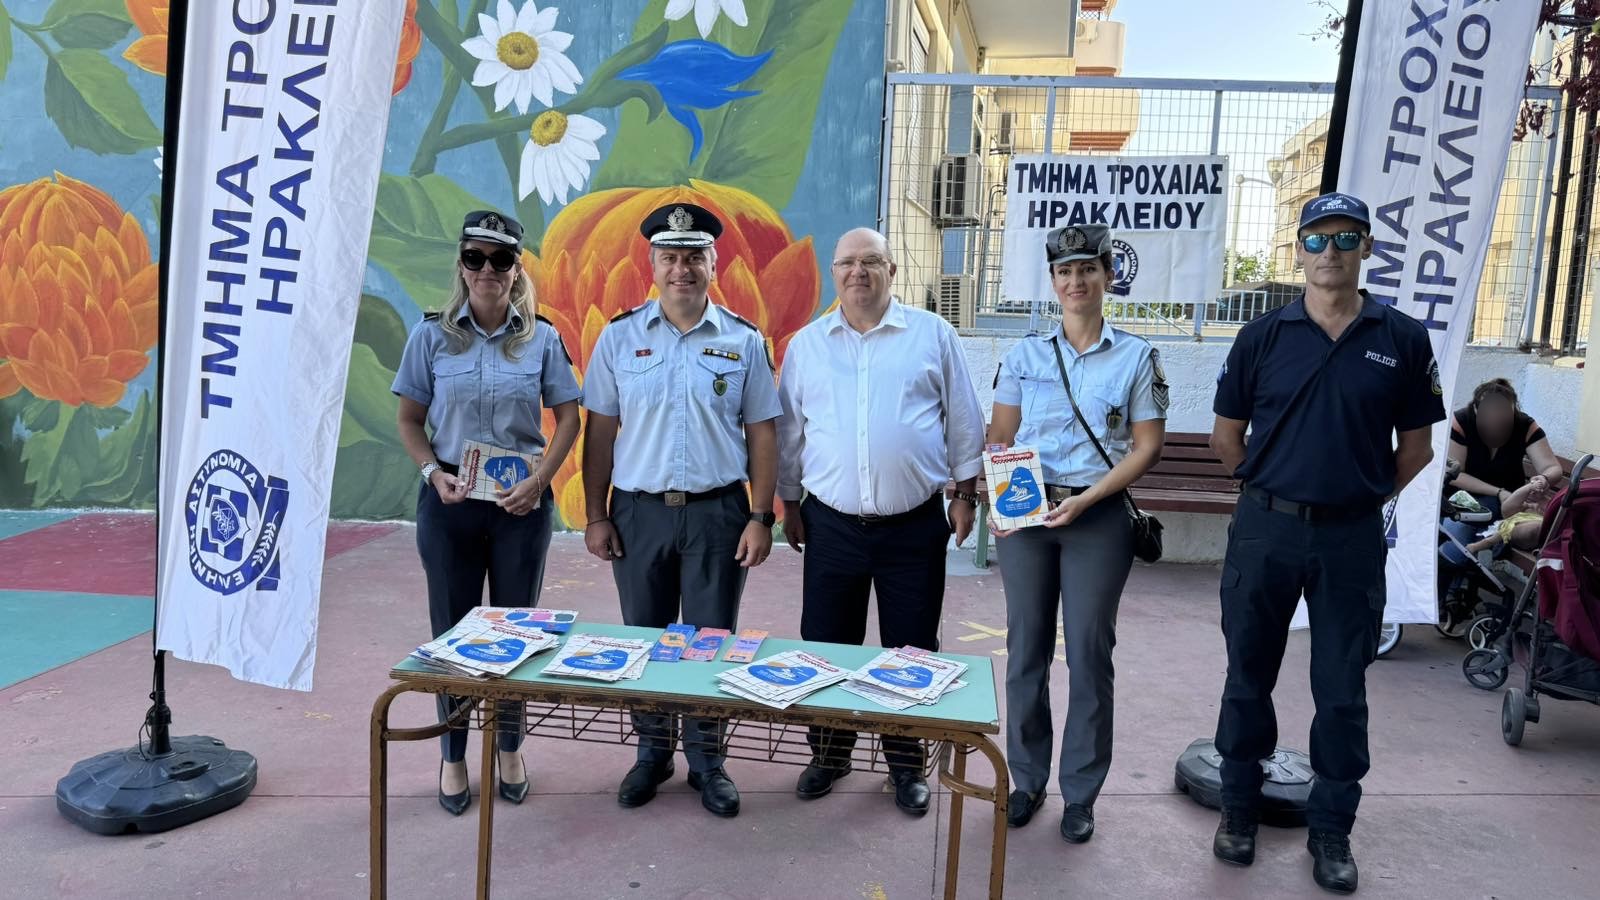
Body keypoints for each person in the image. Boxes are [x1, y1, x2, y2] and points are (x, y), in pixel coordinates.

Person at [1208, 192, 1445, 894]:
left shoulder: (1402, 339)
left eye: (1345, 238)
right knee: (1247, 676)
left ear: (1367, 247)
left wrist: (1359, 495)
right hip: (1266, 531)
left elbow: (1417, 449)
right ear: (1299, 249)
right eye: (1317, 239)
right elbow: (1226, 438)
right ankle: (1239, 809)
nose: (1330, 252)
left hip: (1350, 538)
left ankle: (1332, 829)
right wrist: (1272, 490)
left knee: (1341, 690)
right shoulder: (1262, 336)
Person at [775, 227, 985, 816]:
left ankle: (905, 765)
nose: (858, 272)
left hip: (913, 526)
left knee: (910, 651)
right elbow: (790, 432)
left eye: (871, 261)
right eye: (847, 263)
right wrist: (788, 504)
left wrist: (965, 494)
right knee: (826, 646)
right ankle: (830, 754)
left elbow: (963, 420)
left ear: (893, 270)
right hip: (831, 525)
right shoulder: (808, 345)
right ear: (833, 272)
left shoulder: (932, 335)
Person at [580, 202, 781, 818]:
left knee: (710, 641)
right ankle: (651, 753)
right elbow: (600, 432)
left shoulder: (743, 340)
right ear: (653, 265)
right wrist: (596, 514)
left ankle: (708, 761)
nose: (682, 269)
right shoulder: (619, 337)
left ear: (713, 264)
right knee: (644, 639)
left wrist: (761, 516)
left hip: (718, 513)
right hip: (639, 514)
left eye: (694, 257)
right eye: (670, 257)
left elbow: (762, 433)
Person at [392, 210, 583, 816]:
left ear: (516, 269)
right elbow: (409, 420)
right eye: (475, 258)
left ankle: (509, 748)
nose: (487, 270)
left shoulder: (541, 338)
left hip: (518, 504)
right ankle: (452, 754)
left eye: (501, 259)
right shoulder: (431, 337)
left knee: (517, 632)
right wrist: (432, 472)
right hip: (450, 499)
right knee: (451, 633)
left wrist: (540, 482)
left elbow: (569, 418)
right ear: (461, 265)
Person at [985, 223, 1167, 845]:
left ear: (1108, 276)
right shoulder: (1025, 355)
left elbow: (1146, 446)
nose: (1076, 281)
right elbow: (1001, 436)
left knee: (1089, 652)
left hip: (1098, 514)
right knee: (1025, 648)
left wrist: (1088, 498)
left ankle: (1081, 793)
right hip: (1029, 511)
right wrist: (999, 497)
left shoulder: (1137, 356)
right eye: (1064, 272)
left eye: (1088, 269)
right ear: (1053, 281)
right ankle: (1027, 780)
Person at [1447, 378, 1562, 517]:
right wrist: (1499, 492)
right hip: (1464, 497)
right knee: (1457, 526)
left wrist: (1544, 478)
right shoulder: (1462, 422)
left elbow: (1552, 467)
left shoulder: (1524, 425)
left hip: (1511, 500)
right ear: (1476, 410)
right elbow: (1455, 474)